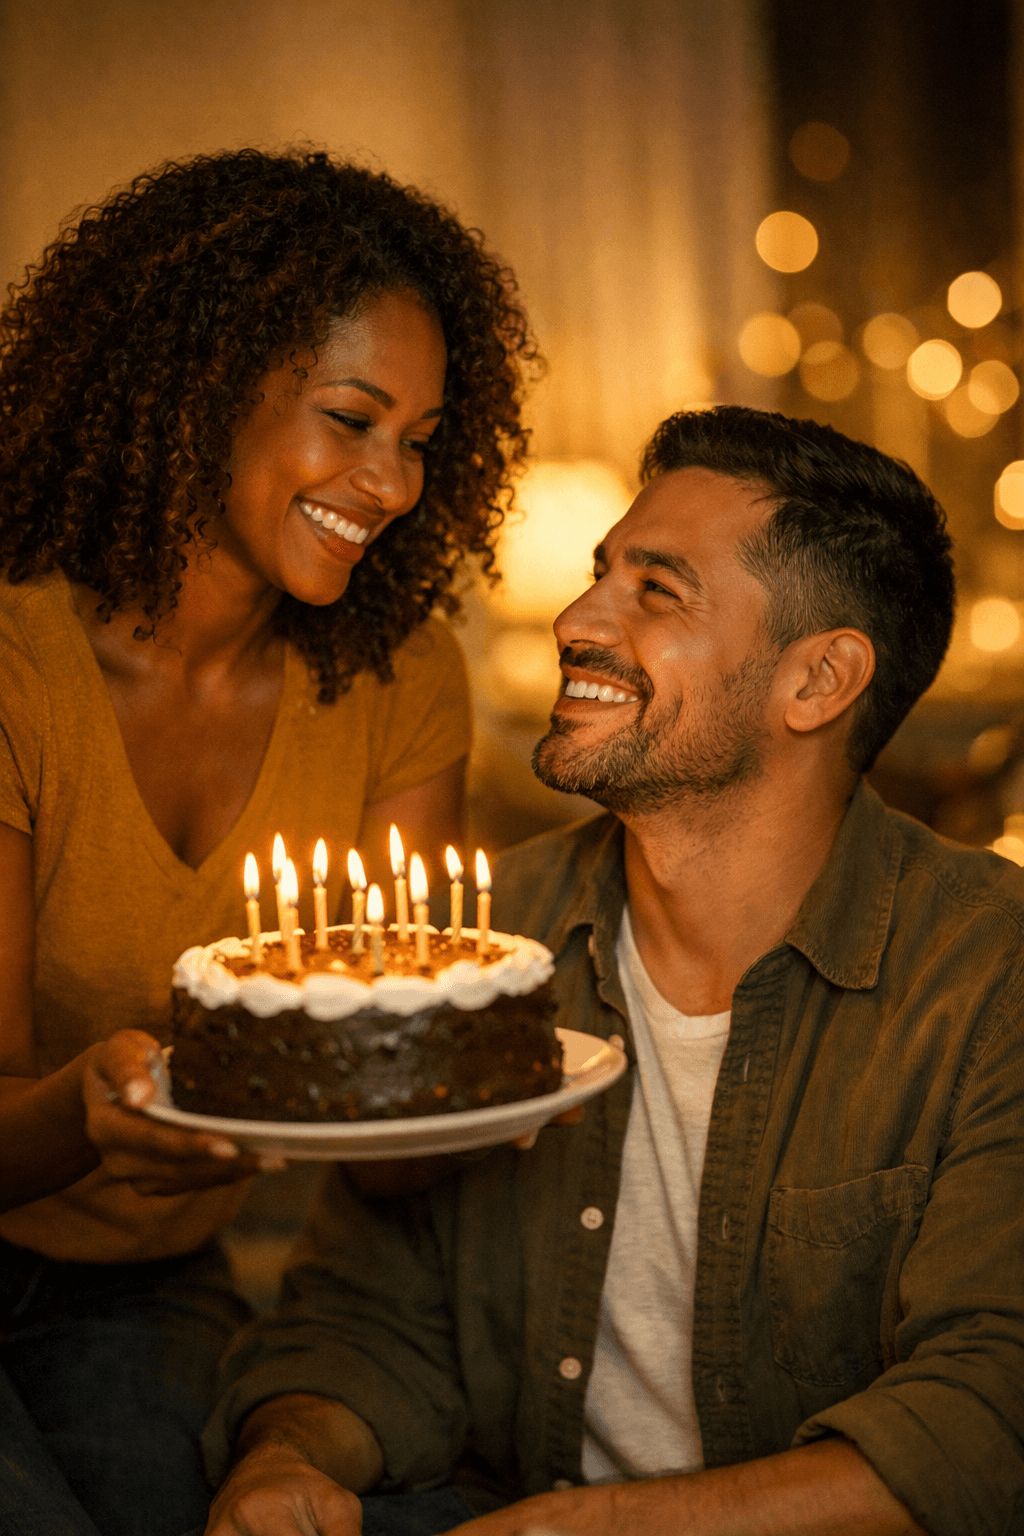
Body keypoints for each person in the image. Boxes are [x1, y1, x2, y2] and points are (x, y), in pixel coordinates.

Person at [200, 406, 1023, 1536]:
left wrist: (580, 1529)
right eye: (599, 575)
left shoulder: (988, 972)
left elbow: (987, 1420)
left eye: (656, 590)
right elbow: (361, 1317)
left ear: (818, 681)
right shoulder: (488, 946)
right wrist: (285, 1459)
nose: (577, 618)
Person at [0, 148, 537, 1536]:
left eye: (420, 440)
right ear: (198, 387)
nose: (392, 483)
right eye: (352, 419)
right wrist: (95, 1113)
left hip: (141, 1282)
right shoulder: (15, 664)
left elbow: (396, 1104)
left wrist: (483, 1093)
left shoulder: (396, 679)